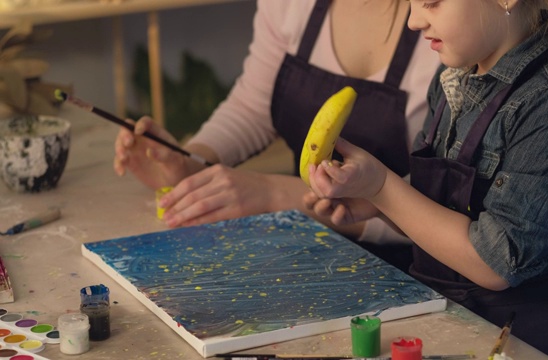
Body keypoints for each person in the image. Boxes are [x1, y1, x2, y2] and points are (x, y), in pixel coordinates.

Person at [303, 1, 548, 359]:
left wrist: (383, 188)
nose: (413, 21)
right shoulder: (451, 79)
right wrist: (373, 204)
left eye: (431, 2)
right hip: (449, 323)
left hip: (522, 337)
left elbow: (495, 263)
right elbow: (438, 213)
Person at [113, 0, 440, 271]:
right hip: (306, 250)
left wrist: (277, 195)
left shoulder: (444, 20)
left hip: (413, 270)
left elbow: (455, 209)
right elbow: (253, 105)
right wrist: (191, 161)